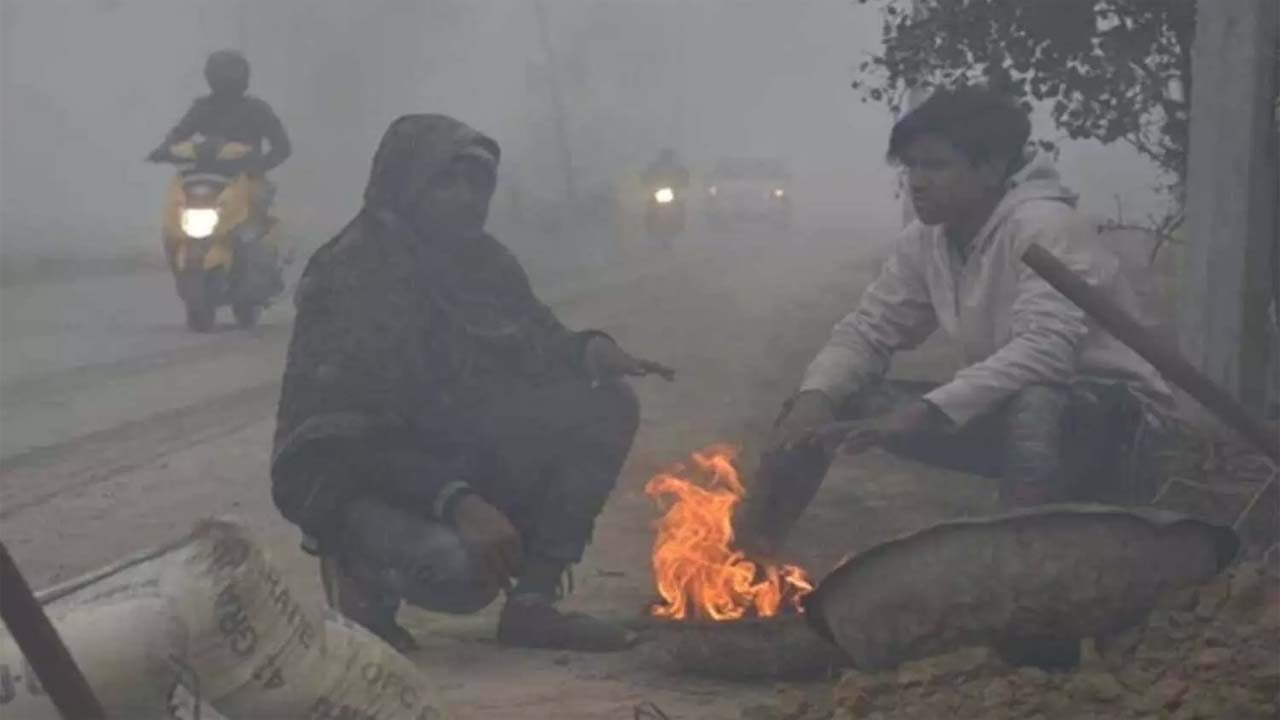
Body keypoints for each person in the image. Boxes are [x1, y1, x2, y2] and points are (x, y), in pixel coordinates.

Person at [271, 114, 674, 654]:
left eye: (476, 184)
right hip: (362, 481)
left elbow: (536, 340)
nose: (466, 198)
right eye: (446, 181)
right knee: (459, 573)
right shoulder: (355, 272)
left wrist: (588, 350)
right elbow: (344, 441)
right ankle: (360, 587)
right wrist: (458, 502)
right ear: (406, 184)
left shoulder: (483, 261)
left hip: (455, 451)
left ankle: (532, 605)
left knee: (604, 404)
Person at [738, 86, 1177, 555]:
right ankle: (743, 561)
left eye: (936, 165)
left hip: (1118, 432)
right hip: (1012, 419)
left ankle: (1018, 567)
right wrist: (817, 396)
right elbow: (867, 330)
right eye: (911, 166)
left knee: (1038, 403)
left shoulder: (1046, 226)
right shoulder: (926, 240)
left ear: (990, 168)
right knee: (826, 403)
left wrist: (924, 411)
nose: (917, 181)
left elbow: (1047, 352)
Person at [148, 50, 291, 216]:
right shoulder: (202, 108)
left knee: (260, 212)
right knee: (175, 204)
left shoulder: (256, 109)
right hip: (205, 176)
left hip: (246, 177)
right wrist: (164, 149)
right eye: (221, 73)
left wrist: (260, 165)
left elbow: (282, 146)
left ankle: (261, 238)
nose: (227, 78)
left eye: (232, 73)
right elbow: (180, 132)